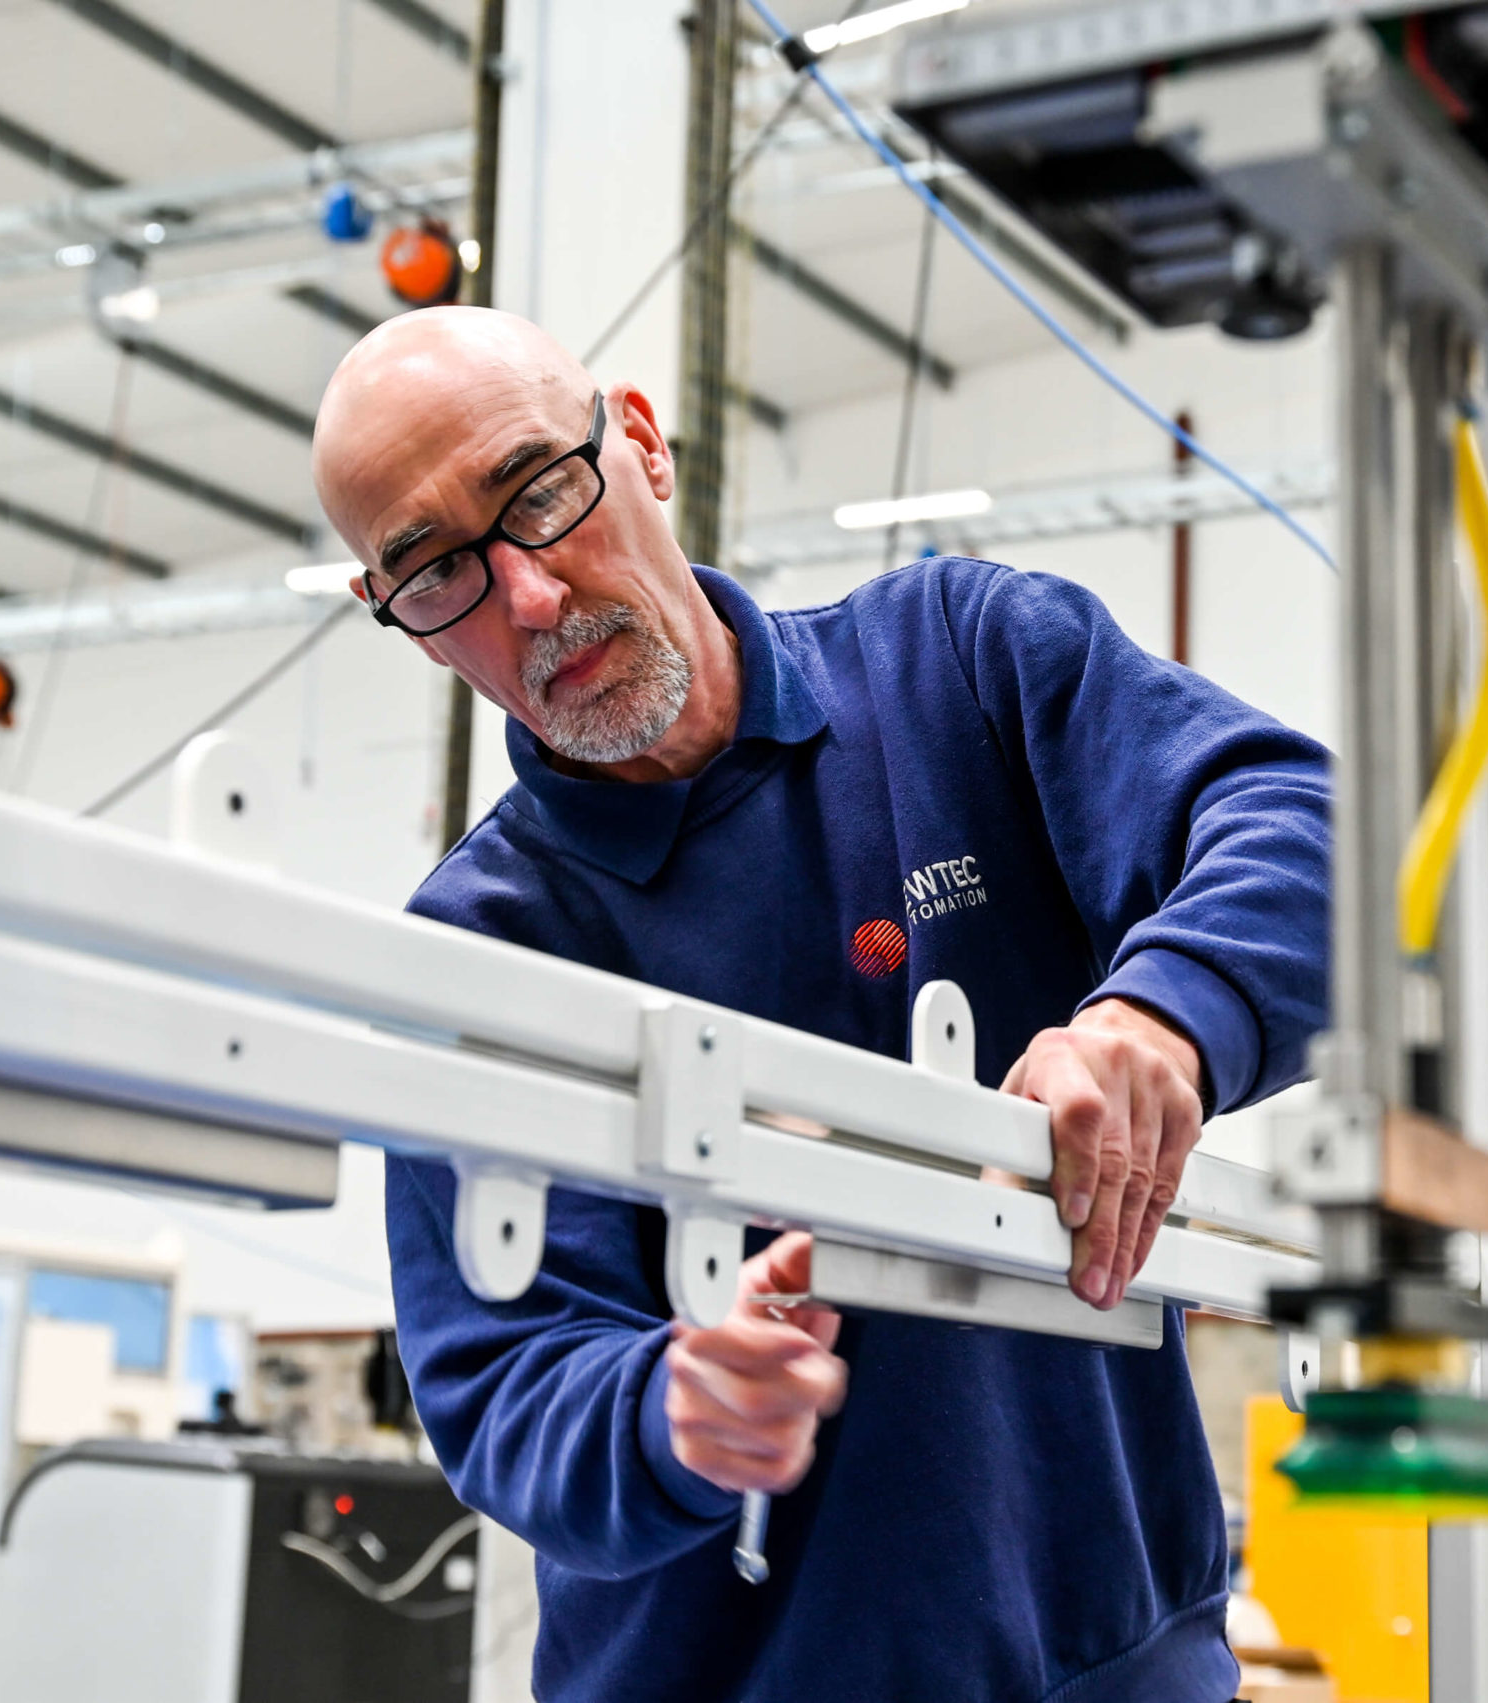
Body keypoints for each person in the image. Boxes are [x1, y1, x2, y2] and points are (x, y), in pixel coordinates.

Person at [311, 306, 1330, 1703]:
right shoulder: (484, 950)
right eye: (437, 573)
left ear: (644, 447)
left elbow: (1301, 819)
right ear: (404, 626)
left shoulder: (959, 670)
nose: (531, 598)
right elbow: (503, 1389)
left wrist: (1164, 1015)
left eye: (538, 496)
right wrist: (669, 1411)